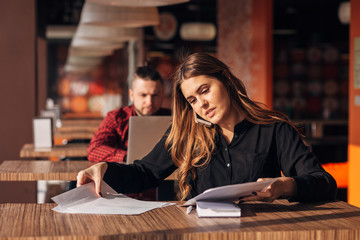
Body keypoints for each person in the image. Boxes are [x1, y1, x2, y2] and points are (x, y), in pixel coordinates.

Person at [78, 53, 337, 203]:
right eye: (192, 100)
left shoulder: (274, 129)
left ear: (225, 80)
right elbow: (145, 172)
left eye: (205, 90)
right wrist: (106, 170)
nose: (201, 104)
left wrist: (284, 186)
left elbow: (324, 183)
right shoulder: (186, 133)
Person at [87, 66, 171, 200]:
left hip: (163, 192)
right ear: (131, 95)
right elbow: (94, 149)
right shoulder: (116, 117)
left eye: (155, 95)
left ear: (162, 94)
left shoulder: (173, 119)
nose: (149, 102)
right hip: (123, 194)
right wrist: (128, 156)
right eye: (143, 95)